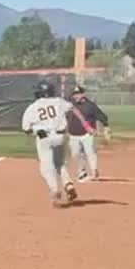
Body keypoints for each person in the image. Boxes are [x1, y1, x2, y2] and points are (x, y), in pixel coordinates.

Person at [21, 80, 77, 208]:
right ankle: (68, 184)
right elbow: (72, 108)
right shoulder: (59, 102)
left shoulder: (33, 107)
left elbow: (26, 128)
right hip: (60, 135)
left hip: (44, 137)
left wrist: (36, 130)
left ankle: (54, 190)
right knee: (59, 164)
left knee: (46, 168)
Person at [69, 85, 110, 181]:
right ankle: (82, 171)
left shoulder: (90, 105)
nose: (76, 96)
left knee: (90, 152)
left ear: (83, 94)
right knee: (76, 154)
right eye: (74, 94)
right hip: (73, 134)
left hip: (87, 134)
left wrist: (106, 127)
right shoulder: (70, 105)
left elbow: (102, 116)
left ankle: (94, 170)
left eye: (78, 94)